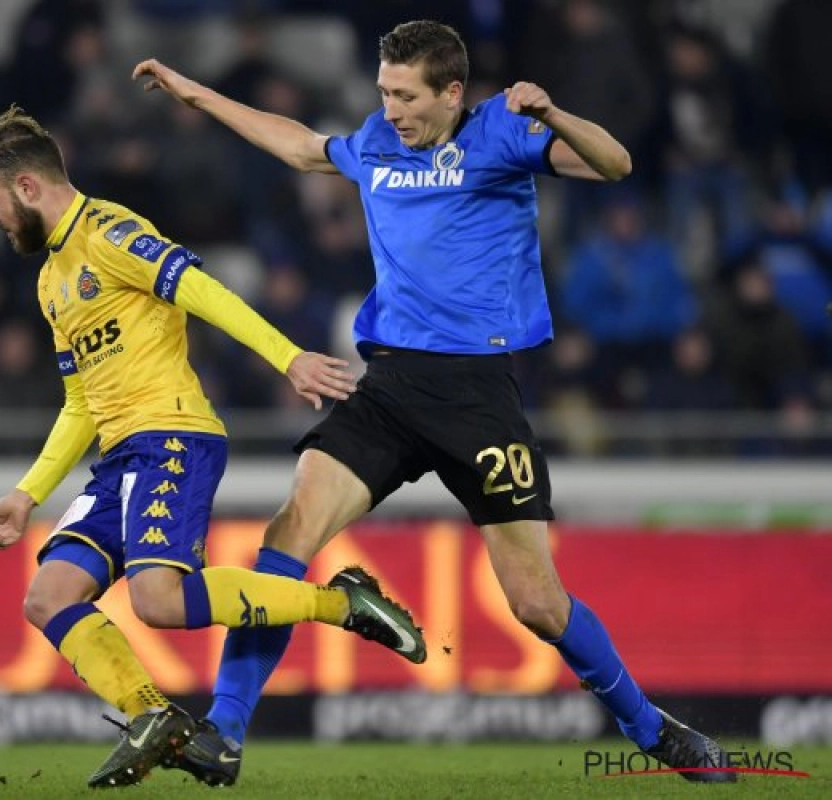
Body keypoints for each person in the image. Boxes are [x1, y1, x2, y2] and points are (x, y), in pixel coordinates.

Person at [133, 19, 735, 786]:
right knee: (288, 534)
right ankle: (224, 730)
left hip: (476, 394)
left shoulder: (502, 136)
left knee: (538, 606)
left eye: (407, 96)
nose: (392, 110)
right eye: (384, 92)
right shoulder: (379, 143)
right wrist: (197, 94)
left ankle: (656, 734)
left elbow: (614, 165)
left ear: (453, 93)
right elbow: (298, 145)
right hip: (387, 385)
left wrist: (550, 114)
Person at [0, 106, 426, 788]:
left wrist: (288, 358)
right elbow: (79, 404)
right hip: (119, 457)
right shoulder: (50, 282)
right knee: (47, 596)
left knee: (158, 599)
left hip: (173, 435)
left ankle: (343, 604)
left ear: (28, 187)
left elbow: (204, 291)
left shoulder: (113, 232)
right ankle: (155, 717)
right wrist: (27, 492)